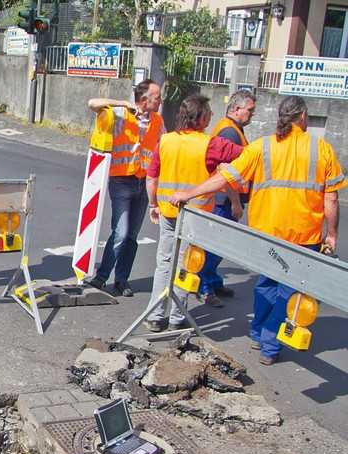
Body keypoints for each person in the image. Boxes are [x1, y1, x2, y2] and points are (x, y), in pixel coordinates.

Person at [170, 96, 345, 365]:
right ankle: (269, 343)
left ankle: (257, 331)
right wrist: (331, 233)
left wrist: (189, 193)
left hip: (265, 232)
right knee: (289, 290)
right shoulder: (321, 149)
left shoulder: (262, 147)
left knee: (266, 282)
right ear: (302, 117)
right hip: (303, 234)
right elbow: (331, 199)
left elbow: (224, 177)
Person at [144, 94, 243, 333]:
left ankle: (155, 316)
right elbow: (245, 155)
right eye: (208, 113)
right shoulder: (211, 144)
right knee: (186, 266)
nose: (210, 116)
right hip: (195, 215)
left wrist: (153, 205)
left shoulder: (166, 141)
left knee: (164, 263)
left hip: (168, 212)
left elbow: (151, 177)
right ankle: (178, 317)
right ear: (201, 118)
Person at [85, 79, 165, 297]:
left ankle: (122, 279)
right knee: (119, 233)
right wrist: (121, 102)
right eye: (157, 97)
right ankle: (101, 278)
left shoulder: (157, 121)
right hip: (121, 181)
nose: (160, 101)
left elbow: (165, 146)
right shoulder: (121, 113)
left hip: (143, 183)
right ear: (143, 99)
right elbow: (93, 103)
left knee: (131, 236)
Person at [197, 89, 256, 307]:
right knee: (214, 246)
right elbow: (225, 171)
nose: (252, 114)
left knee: (217, 246)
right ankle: (204, 286)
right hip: (224, 199)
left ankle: (212, 280)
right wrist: (235, 201)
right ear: (235, 109)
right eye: (249, 110)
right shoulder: (229, 132)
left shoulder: (233, 129)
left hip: (225, 198)